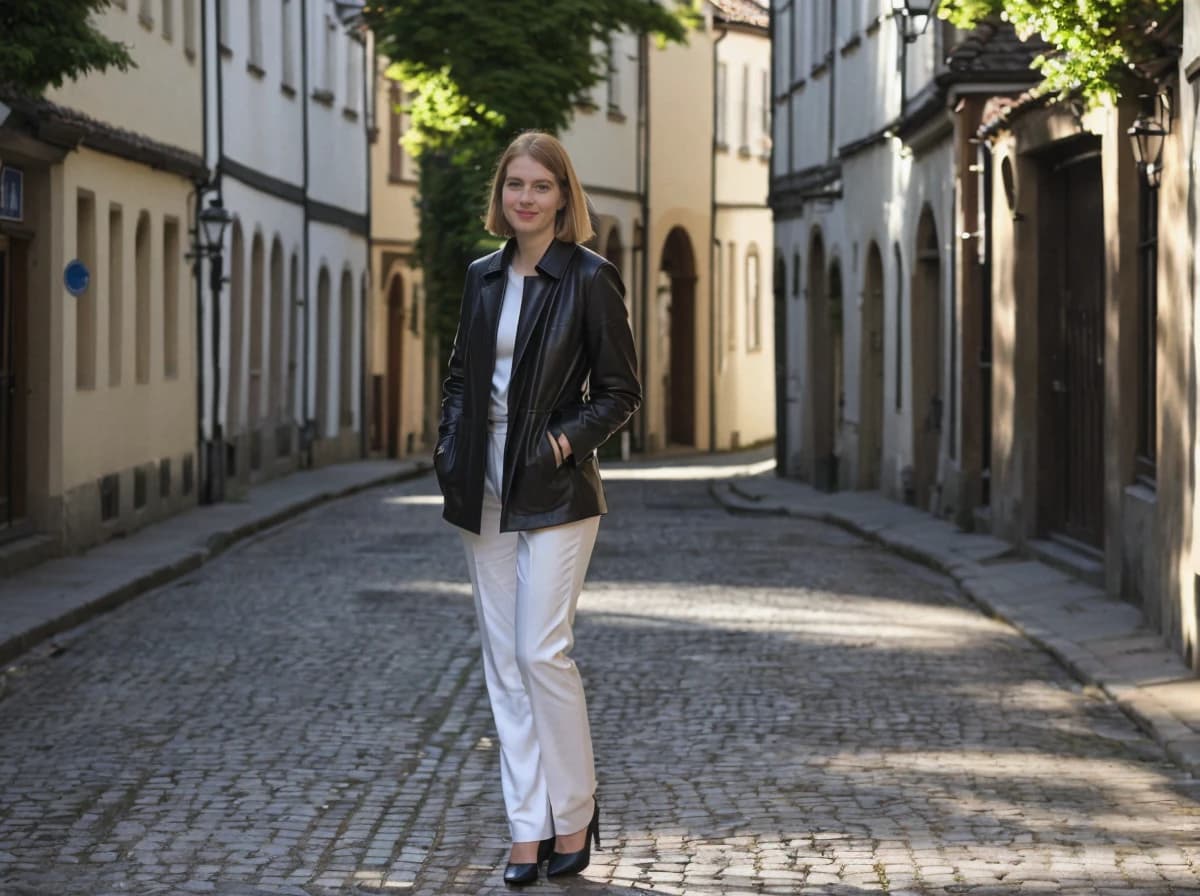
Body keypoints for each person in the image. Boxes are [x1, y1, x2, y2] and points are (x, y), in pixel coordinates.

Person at [433, 131, 642, 886]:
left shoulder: (590, 278)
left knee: (540, 652)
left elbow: (621, 393)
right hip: (480, 481)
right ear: (502, 195)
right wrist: (450, 445)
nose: (525, 198)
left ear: (563, 196)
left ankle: (576, 811)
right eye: (515, 184)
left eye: (541, 186)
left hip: (555, 486)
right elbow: (460, 378)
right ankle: (528, 828)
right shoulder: (482, 276)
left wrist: (559, 444)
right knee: (502, 664)